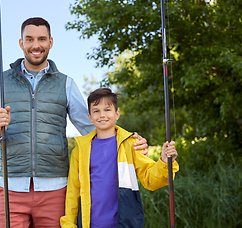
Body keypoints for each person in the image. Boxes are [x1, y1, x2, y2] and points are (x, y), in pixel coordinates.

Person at [0, 17, 148, 228]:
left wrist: (129, 140)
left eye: (42, 39)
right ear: (21, 43)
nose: (36, 45)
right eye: (29, 39)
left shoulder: (66, 84)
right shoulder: (0, 82)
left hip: (56, 189)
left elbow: (95, 127)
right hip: (11, 188)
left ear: (50, 42)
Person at [60, 88, 179, 228]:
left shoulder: (131, 144)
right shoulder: (79, 150)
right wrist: (68, 224)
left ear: (117, 114)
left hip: (124, 223)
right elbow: (73, 193)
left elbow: (150, 180)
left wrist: (165, 162)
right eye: (96, 111)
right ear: (90, 117)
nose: (102, 115)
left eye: (107, 109)